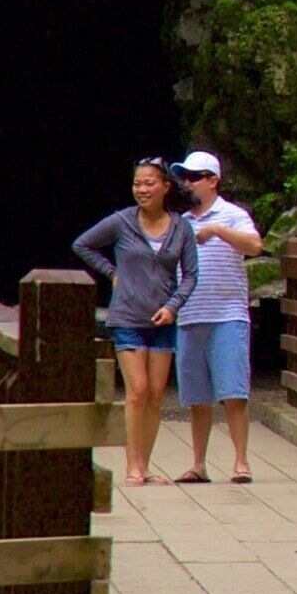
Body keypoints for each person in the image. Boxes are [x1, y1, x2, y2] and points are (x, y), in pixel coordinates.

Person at [74, 159, 201, 487]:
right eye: (137, 184)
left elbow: (190, 275)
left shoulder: (181, 227)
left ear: (165, 187)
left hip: (163, 318)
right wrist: (112, 273)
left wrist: (173, 306)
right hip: (127, 316)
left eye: (149, 184)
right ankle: (132, 467)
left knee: (156, 394)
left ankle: (145, 465)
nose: (142, 190)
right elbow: (83, 244)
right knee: (137, 390)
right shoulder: (121, 222)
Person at [168, 149, 265, 484]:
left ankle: (241, 462)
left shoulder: (233, 215)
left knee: (234, 393)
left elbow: (254, 246)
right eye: (183, 177)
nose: (186, 183)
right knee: (196, 397)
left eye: (194, 177)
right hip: (190, 315)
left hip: (227, 314)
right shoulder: (180, 222)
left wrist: (219, 231)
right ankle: (198, 463)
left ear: (212, 181)